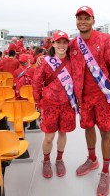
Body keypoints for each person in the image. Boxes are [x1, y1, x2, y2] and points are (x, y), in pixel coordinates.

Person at [70, 6, 110, 196]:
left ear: (93, 20)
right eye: (79, 18)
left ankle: (105, 171)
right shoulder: (73, 44)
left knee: (105, 132)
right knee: (87, 127)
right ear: (76, 21)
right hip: (83, 97)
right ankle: (92, 159)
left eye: (87, 18)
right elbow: (61, 59)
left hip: (103, 96)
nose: (82, 21)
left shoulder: (105, 40)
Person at [33, 30, 77, 179]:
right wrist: (38, 102)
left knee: (63, 133)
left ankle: (59, 159)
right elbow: (37, 82)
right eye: (59, 42)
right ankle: (46, 160)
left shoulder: (73, 61)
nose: (62, 45)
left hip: (67, 105)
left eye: (65, 42)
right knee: (49, 138)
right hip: (49, 105)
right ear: (53, 44)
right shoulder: (45, 61)